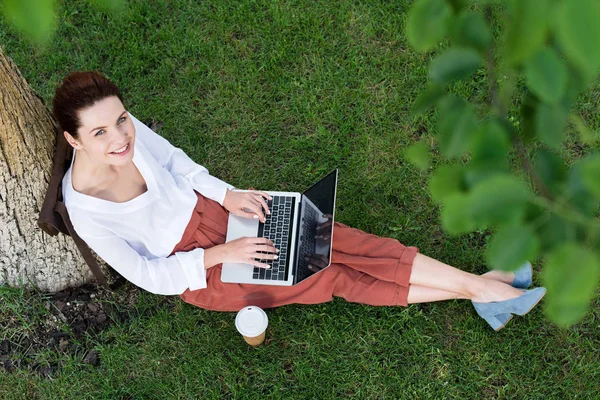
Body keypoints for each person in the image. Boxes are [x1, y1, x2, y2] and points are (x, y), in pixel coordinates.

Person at [53, 71, 546, 332]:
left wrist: (228, 194)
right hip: (202, 269)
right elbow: (149, 277)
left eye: (121, 119)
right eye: (100, 131)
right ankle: (484, 292)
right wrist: (222, 255)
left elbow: (179, 164)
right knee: (327, 273)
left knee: (341, 239)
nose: (121, 137)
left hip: (221, 213)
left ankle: (479, 291)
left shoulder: (130, 134)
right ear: (74, 142)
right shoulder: (87, 211)